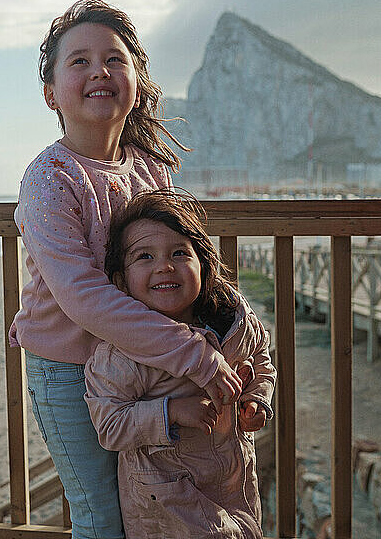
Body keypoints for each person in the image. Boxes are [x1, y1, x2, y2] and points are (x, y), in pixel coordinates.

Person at [9, 0, 243, 539]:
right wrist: (196, 358)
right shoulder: (49, 179)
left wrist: (231, 339)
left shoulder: (150, 169)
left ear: (135, 78)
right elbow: (84, 296)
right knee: (102, 518)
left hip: (147, 367)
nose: (100, 71)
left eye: (115, 58)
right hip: (69, 372)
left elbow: (188, 268)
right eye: (79, 61)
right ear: (50, 94)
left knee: (154, 508)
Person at [85, 190, 277, 539]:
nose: (164, 266)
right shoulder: (123, 354)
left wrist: (256, 398)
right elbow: (110, 426)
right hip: (168, 507)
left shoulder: (233, 323)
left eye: (179, 253)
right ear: (119, 281)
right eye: (144, 256)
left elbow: (261, 357)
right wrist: (170, 411)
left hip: (234, 487)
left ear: (204, 265)